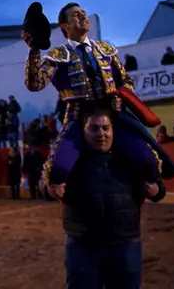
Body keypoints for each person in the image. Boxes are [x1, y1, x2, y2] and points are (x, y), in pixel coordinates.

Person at [22, 2, 174, 189]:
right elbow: (35, 84)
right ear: (64, 26)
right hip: (78, 116)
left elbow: (125, 81)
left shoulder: (106, 50)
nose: (82, 16)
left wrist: (121, 96)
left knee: (149, 162)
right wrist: (34, 52)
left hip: (112, 114)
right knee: (58, 170)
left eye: (83, 13)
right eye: (75, 15)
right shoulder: (57, 56)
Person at [53, 103, 166, 289]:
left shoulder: (131, 157)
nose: (101, 134)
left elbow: (158, 188)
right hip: (84, 245)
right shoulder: (70, 160)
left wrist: (156, 191)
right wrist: (48, 189)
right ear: (83, 130)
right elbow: (47, 182)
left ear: (113, 129)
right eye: (94, 128)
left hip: (125, 244)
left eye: (106, 128)